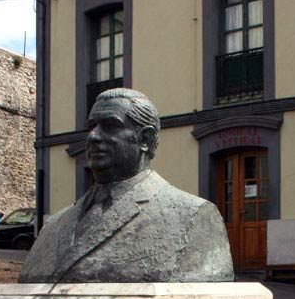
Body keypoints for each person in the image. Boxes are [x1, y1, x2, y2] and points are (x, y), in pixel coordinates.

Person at [19, 88, 234, 283]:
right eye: (91, 127)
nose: (93, 136)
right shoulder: (55, 226)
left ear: (145, 139)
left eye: (111, 126)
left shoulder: (193, 217)